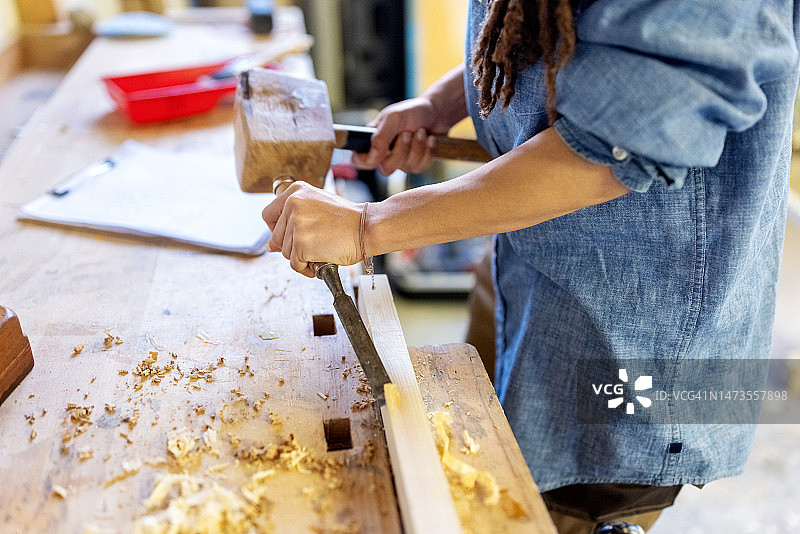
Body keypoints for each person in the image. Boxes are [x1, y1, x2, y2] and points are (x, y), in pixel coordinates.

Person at [263, 1, 800, 532]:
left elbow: (610, 151)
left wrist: (367, 227)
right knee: (471, 462)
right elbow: (539, 32)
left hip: (634, 343)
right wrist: (441, 104)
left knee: (545, 512)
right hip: (525, 263)